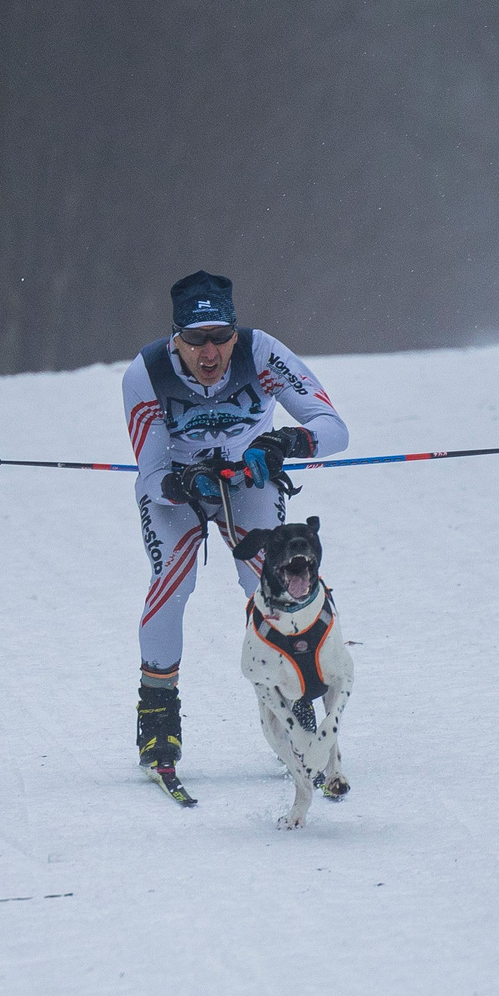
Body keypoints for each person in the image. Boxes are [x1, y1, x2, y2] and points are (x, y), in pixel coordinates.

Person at [123, 270, 348, 792]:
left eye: (221, 337)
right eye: (195, 339)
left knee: (273, 585)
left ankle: (297, 710)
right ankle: (158, 722)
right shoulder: (148, 372)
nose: (210, 353)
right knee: (172, 583)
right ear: (175, 337)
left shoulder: (262, 354)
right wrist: (184, 480)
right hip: (175, 489)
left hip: (248, 478)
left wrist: (285, 441)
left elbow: (334, 429)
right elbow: (152, 476)